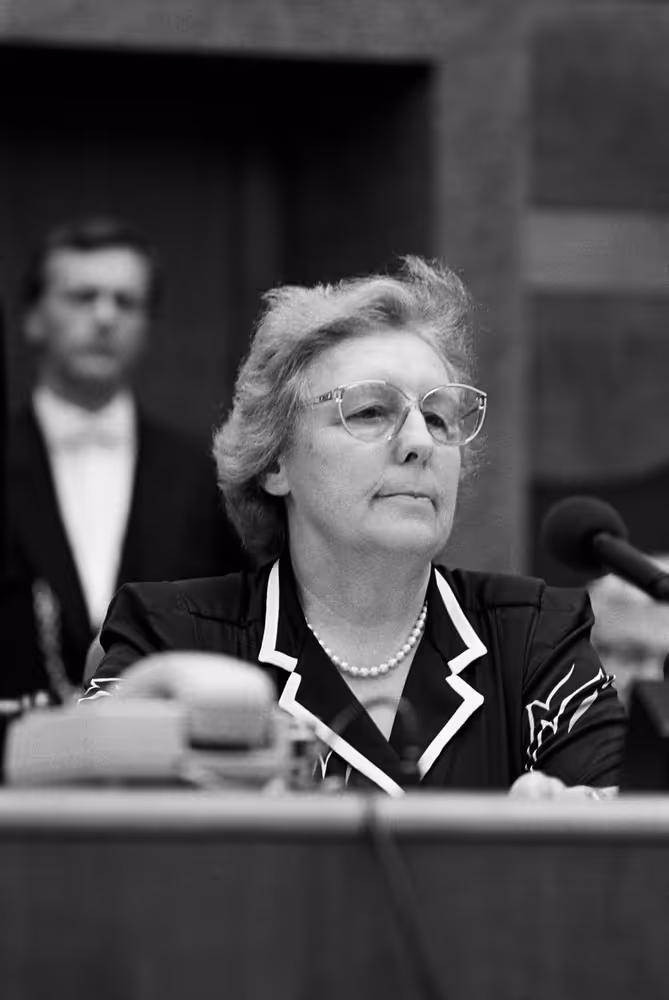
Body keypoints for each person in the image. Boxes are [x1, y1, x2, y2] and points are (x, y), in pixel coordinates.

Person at [82, 256, 626, 796]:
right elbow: (75, 820)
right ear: (275, 463)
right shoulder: (173, 635)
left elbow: (629, 848)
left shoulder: (535, 636)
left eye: (438, 418)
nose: (420, 443)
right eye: (370, 412)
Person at [2, 216, 247, 703]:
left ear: (148, 325)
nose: (105, 316)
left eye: (126, 301)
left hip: (165, 759)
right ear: (32, 318)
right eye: (82, 297)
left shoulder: (206, 474)